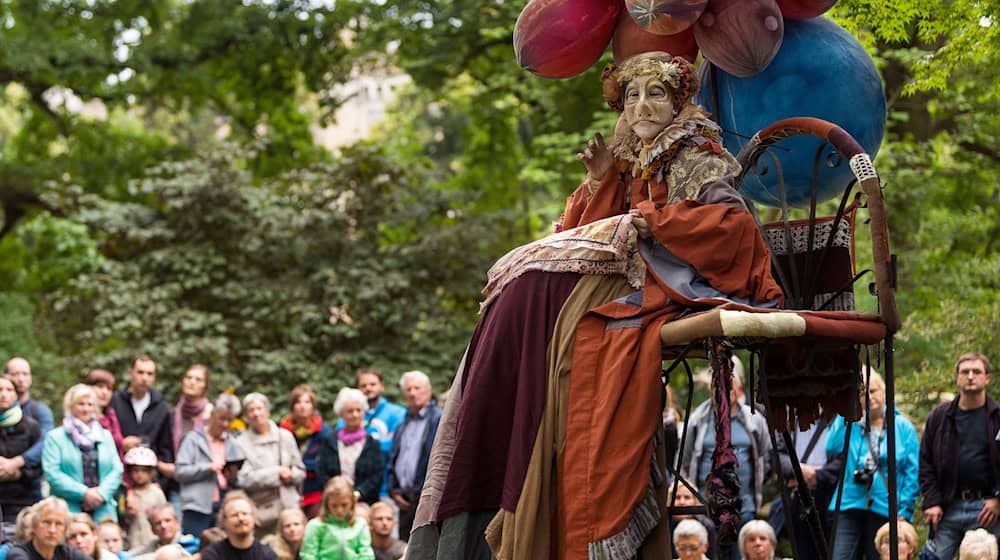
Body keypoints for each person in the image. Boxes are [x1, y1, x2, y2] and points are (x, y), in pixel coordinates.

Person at [406, 51, 783, 559]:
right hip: (623, 268)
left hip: (672, 278)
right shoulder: (630, 155)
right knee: (518, 283)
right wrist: (603, 179)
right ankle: (500, 447)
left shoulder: (698, 153)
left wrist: (655, 221)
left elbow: (735, 230)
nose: (642, 105)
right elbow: (585, 231)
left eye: (655, 94)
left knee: (543, 294)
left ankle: (548, 479)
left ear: (678, 101)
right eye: (632, 95)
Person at [825, 369, 919, 560]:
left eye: (873, 391)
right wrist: (847, 411)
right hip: (849, 503)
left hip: (886, 507)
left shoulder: (902, 426)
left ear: (884, 392)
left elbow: (912, 472)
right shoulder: (850, 424)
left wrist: (905, 510)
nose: (868, 397)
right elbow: (831, 446)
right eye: (862, 392)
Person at [680, 364, 770, 559]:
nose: (721, 392)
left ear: (738, 390)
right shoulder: (698, 419)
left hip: (744, 507)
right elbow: (684, 461)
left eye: (727, 386)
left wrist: (754, 486)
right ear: (710, 390)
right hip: (707, 510)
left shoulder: (755, 421)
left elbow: (766, 458)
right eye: (716, 387)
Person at [920, 352, 1000, 560]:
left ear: (987, 378)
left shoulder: (998, 417)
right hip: (947, 506)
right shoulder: (939, 417)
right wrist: (932, 501)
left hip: (987, 509)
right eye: (965, 372)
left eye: (977, 371)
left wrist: (997, 497)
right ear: (957, 377)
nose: (971, 376)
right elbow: (926, 462)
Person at [42, 384, 123, 523]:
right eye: (81, 404)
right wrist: (84, 493)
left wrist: (101, 494)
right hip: (68, 510)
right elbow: (52, 473)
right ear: (71, 406)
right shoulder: (55, 437)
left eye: (90, 404)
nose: (86, 408)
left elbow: (117, 469)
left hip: (103, 508)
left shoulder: (105, 436)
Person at [235, 393, 305, 538]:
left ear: (267, 411)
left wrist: (291, 475)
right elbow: (245, 479)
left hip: (289, 509)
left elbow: (300, 471)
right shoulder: (241, 443)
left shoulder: (285, 436)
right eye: (251, 410)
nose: (256, 413)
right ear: (246, 416)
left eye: (259, 408)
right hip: (262, 513)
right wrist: (276, 473)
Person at [772, 407, 838, 560]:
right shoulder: (788, 416)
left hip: (829, 497)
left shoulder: (839, 415)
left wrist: (816, 476)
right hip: (797, 495)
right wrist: (800, 471)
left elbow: (845, 457)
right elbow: (776, 452)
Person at [175, 393, 245, 536]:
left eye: (229, 420)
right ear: (212, 414)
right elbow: (180, 472)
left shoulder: (233, 443)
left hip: (224, 507)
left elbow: (243, 478)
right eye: (222, 419)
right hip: (197, 507)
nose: (225, 424)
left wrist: (234, 476)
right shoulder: (193, 439)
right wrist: (208, 467)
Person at [388, 371, 441, 541]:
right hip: (402, 499)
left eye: (417, 388)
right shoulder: (403, 422)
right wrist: (394, 490)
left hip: (426, 498)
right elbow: (394, 458)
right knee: (405, 546)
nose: (412, 393)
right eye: (408, 389)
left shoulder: (439, 419)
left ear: (428, 390)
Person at [110, 357, 175, 491]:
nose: (144, 378)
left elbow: (165, 448)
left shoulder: (161, 407)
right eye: (140, 372)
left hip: (149, 480)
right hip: (119, 477)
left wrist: (161, 483)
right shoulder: (115, 401)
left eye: (149, 374)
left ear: (154, 378)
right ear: (131, 373)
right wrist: (121, 444)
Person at [317, 388, 383, 505]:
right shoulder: (330, 441)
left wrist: (359, 493)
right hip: (334, 502)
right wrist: (336, 492)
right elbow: (322, 471)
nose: (355, 415)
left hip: (365, 502)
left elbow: (376, 475)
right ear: (341, 414)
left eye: (359, 410)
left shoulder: (372, 443)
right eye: (350, 411)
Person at [3, 357, 54, 502]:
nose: (20, 379)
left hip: (29, 491)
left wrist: (17, 463)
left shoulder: (39, 412)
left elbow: (46, 442)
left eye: (25, 374)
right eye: (15, 374)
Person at [278, 385, 333, 517]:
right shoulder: (282, 432)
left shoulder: (324, 433)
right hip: (288, 488)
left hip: (315, 489)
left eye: (307, 402)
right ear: (292, 407)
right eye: (298, 402)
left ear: (313, 406)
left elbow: (326, 463)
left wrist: (302, 466)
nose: (302, 406)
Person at [352, 368, 406, 498]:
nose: (368, 388)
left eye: (372, 384)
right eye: (363, 385)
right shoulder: (349, 414)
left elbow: (399, 449)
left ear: (382, 386)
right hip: (356, 489)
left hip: (387, 488)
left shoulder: (398, 414)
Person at [0, 375, 42, 541]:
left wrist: (19, 472)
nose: (3, 394)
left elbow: (40, 466)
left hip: (23, 501)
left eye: (9, 390)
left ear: (16, 395)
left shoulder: (30, 426)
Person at [300, 477, 373, 560]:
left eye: (344, 505)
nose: (339, 510)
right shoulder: (315, 525)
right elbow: (309, 555)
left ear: (352, 503)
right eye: (334, 505)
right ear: (327, 504)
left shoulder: (360, 524)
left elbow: (366, 553)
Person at [199, 491, 277, 560]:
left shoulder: (267, 555)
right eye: (234, 515)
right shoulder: (213, 554)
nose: (241, 518)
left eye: (245, 513)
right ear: (224, 521)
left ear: (253, 518)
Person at [7, 498, 89, 560]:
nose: (52, 530)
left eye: (59, 524)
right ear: (34, 525)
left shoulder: (69, 554)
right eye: (46, 522)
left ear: (65, 529)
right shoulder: (18, 553)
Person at [122, 447, 167, 551]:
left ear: (151, 472)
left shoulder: (157, 493)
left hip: (152, 541)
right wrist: (128, 514)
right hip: (132, 542)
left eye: (144, 471)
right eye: (136, 470)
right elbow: (122, 520)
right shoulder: (126, 493)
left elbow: (164, 514)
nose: (139, 474)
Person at [668, 483, 717, 559]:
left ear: (695, 501)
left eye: (687, 497)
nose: (682, 502)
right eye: (677, 497)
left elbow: (712, 557)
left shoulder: (707, 525)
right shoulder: (664, 526)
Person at [83, 370, 124, 460]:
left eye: (109, 389)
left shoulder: (111, 417)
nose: (105, 392)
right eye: (100, 387)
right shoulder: (80, 417)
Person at [173, 366, 213, 459]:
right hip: (175, 469)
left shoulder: (211, 415)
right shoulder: (174, 414)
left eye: (198, 379)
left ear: (205, 386)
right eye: (188, 377)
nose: (192, 382)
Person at [129, 505, 199, 558]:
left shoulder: (190, 544)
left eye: (167, 520)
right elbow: (128, 555)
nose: (163, 526)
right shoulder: (152, 545)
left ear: (178, 523)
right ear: (152, 529)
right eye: (158, 523)